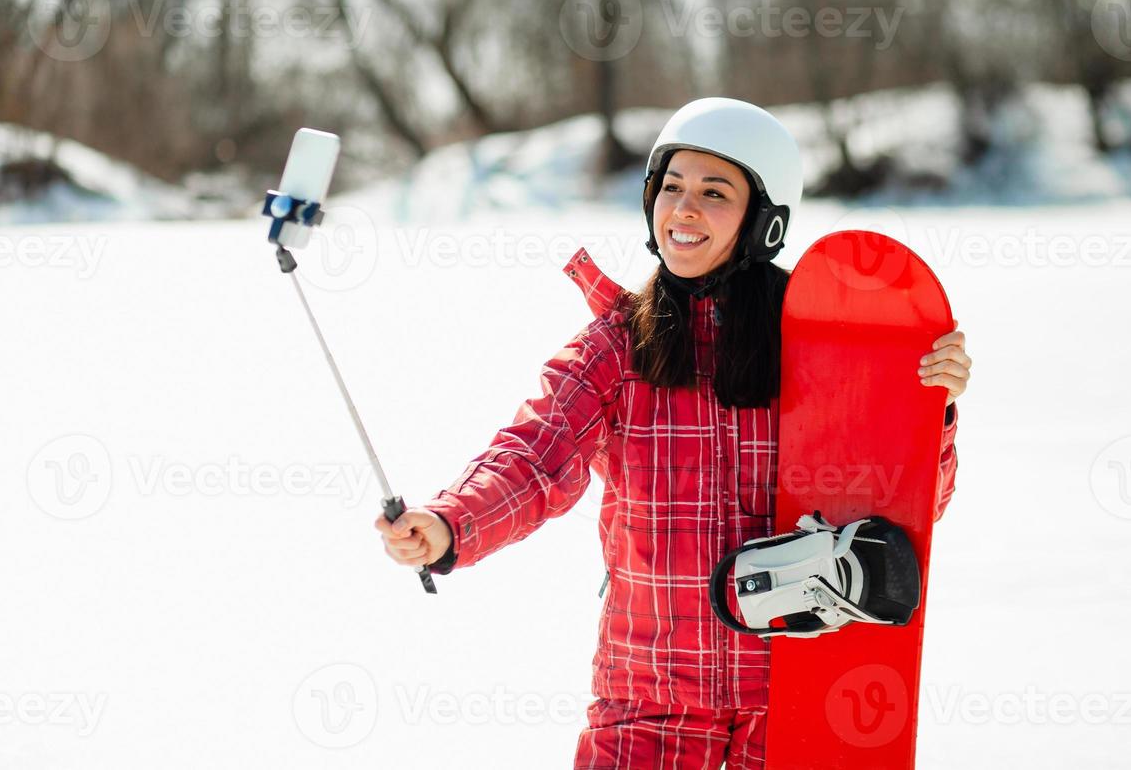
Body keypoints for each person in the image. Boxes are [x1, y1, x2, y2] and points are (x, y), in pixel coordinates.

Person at [374, 98, 972, 770]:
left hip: (793, 694)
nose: (683, 210)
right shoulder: (616, 345)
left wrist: (928, 413)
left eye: (715, 193)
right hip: (646, 697)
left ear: (764, 220)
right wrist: (453, 521)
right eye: (671, 188)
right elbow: (535, 455)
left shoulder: (815, 343)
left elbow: (901, 504)